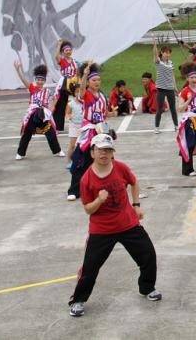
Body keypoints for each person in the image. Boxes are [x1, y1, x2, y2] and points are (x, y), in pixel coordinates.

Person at [68, 134, 161, 318]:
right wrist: (99, 200)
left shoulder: (121, 168)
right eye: (101, 150)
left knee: (148, 255)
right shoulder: (87, 179)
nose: (105, 153)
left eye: (108, 150)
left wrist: (136, 205)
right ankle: (78, 300)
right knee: (90, 268)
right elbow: (88, 209)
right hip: (102, 230)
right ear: (92, 152)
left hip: (128, 224)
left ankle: (147, 288)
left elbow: (134, 183)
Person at [67, 61, 110, 201]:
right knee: (81, 160)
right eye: (94, 80)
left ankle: (110, 187)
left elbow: (104, 115)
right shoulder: (85, 94)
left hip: (100, 130)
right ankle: (74, 190)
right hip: (88, 131)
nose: (97, 82)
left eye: (98, 79)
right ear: (88, 82)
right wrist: (84, 75)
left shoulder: (102, 96)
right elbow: (82, 90)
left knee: (107, 159)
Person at [13, 61, 64, 160]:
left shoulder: (48, 91)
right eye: (38, 79)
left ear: (45, 81)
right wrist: (18, 69)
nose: (40, 81)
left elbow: (55, 99)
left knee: (51, 132)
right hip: (32, 113)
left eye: (42, 80)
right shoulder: (32, 88)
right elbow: (23, 79)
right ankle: (20, 153)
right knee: (26, 134)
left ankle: (57, 150)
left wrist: (50, 110)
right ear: (35, 80)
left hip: (43, 114)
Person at [53, 40, 80, 132]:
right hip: (64, 82)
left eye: (69, 50)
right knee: (61, 103)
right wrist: (59, 44)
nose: (68, 52)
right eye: (66, 50)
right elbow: (56, 56)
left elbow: (78, 71)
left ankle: (81, 121)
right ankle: (57, 125)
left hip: (74, 81)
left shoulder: (75, 62)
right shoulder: (62, 61)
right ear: (63, 52)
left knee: (79, 99)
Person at [153, 39, 178, 134]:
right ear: (162, 53)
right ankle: (156, 127)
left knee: (173, 108)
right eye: (165, 53)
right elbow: (155, 55)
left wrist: (175, 87)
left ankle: (176, 126)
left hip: (170, 88)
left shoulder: (171, 63)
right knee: (160, 109)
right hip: (161, 89)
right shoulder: (158, 62)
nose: (167, 54)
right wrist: (154, 44)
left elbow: (172, 75)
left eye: (169, 53)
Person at [65, 82, 83, 167]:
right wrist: (69, 116)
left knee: (83, 144)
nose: (78, 93)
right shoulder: (71, 103)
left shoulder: (85, 102)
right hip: (74, 126)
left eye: (80, 91)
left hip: (83, 125)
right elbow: (67, 114)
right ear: (73, 93)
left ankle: (80, 160)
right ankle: (69, 161)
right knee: (72, 145)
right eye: (77, 92)